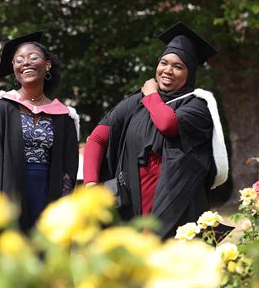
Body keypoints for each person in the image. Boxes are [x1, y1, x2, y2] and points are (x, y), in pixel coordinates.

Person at [84, 22, 228, 239]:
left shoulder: (198, 105)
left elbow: (167, 124)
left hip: (177, 206)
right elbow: (96, 138)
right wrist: (91, 184)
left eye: (178, 66)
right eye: (164, 63)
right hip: (133, 205)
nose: (167, 70)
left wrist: (151, 94)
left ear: (189, 73)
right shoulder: (136, 102)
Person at [0, 31, 79, 249]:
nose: (25, 62)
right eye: (19, 60)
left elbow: (67, 171)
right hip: (8, 195)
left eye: (33, 57)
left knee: (46, 272)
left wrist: (62, 215)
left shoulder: (64, 116)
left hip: (48, 198)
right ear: (14, 71)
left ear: (47, 65)